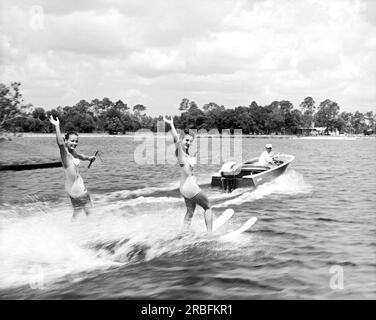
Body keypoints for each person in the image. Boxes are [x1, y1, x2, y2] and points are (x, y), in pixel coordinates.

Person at [163, 116, 213, 232]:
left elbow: (191, 165)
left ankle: (184, 233)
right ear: (182, 140)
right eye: (186, 140)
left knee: (190, 211)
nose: (188, 143)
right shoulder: (180, 153)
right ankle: (210, 235)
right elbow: (176, 139)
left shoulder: (188, 155)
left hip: (184, 188)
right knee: (208, 207)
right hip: (190, 188)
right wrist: (171, 124)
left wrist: (195, 154)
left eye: (190, 141)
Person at [49, 115, 96, 220]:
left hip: (70, 189)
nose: (74, 143)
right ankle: (96, 231)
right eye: (72, 141)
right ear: (66, 140)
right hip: (78, 188)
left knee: (77, 210)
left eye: (76, 141)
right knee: (90, 213)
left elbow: (79, 156)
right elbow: (60, 144)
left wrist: (89, 158)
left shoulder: (72, 152)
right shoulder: (65, 155)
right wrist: (57, 126)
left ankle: (72, 230)